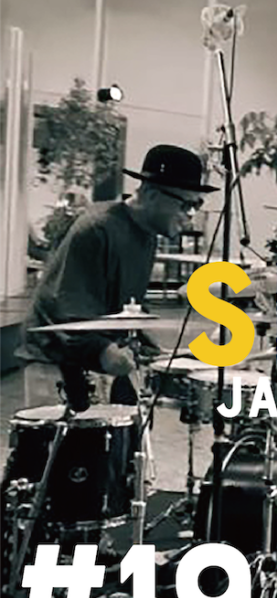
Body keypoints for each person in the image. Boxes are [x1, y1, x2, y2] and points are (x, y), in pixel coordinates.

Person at [17, 144, 214, 411]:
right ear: (151, 194)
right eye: (186, 204)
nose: (191, 214)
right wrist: (104, 351)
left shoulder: (146, 235)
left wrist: (153, 348)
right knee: (64, 439)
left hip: (91, 359)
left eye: (197, 204)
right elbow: (66, 310)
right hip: (56, 363)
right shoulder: (97, 229)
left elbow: (125, 307)